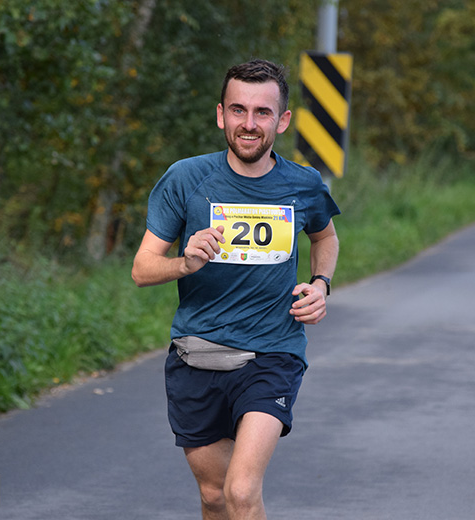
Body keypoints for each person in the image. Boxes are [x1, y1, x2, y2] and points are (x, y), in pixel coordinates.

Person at [131, 58, 340, 520]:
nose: (249, 124)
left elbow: (325, 236)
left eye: (262, 112)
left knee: (242, 491)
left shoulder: (303, 184)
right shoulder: (186, 179)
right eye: (238, 110)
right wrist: (185, 262)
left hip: (273, 353)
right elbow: (142, 270)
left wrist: (320, 283)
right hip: (196, 355)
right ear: (220, 114)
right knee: (214, 496)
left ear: (282, 120)